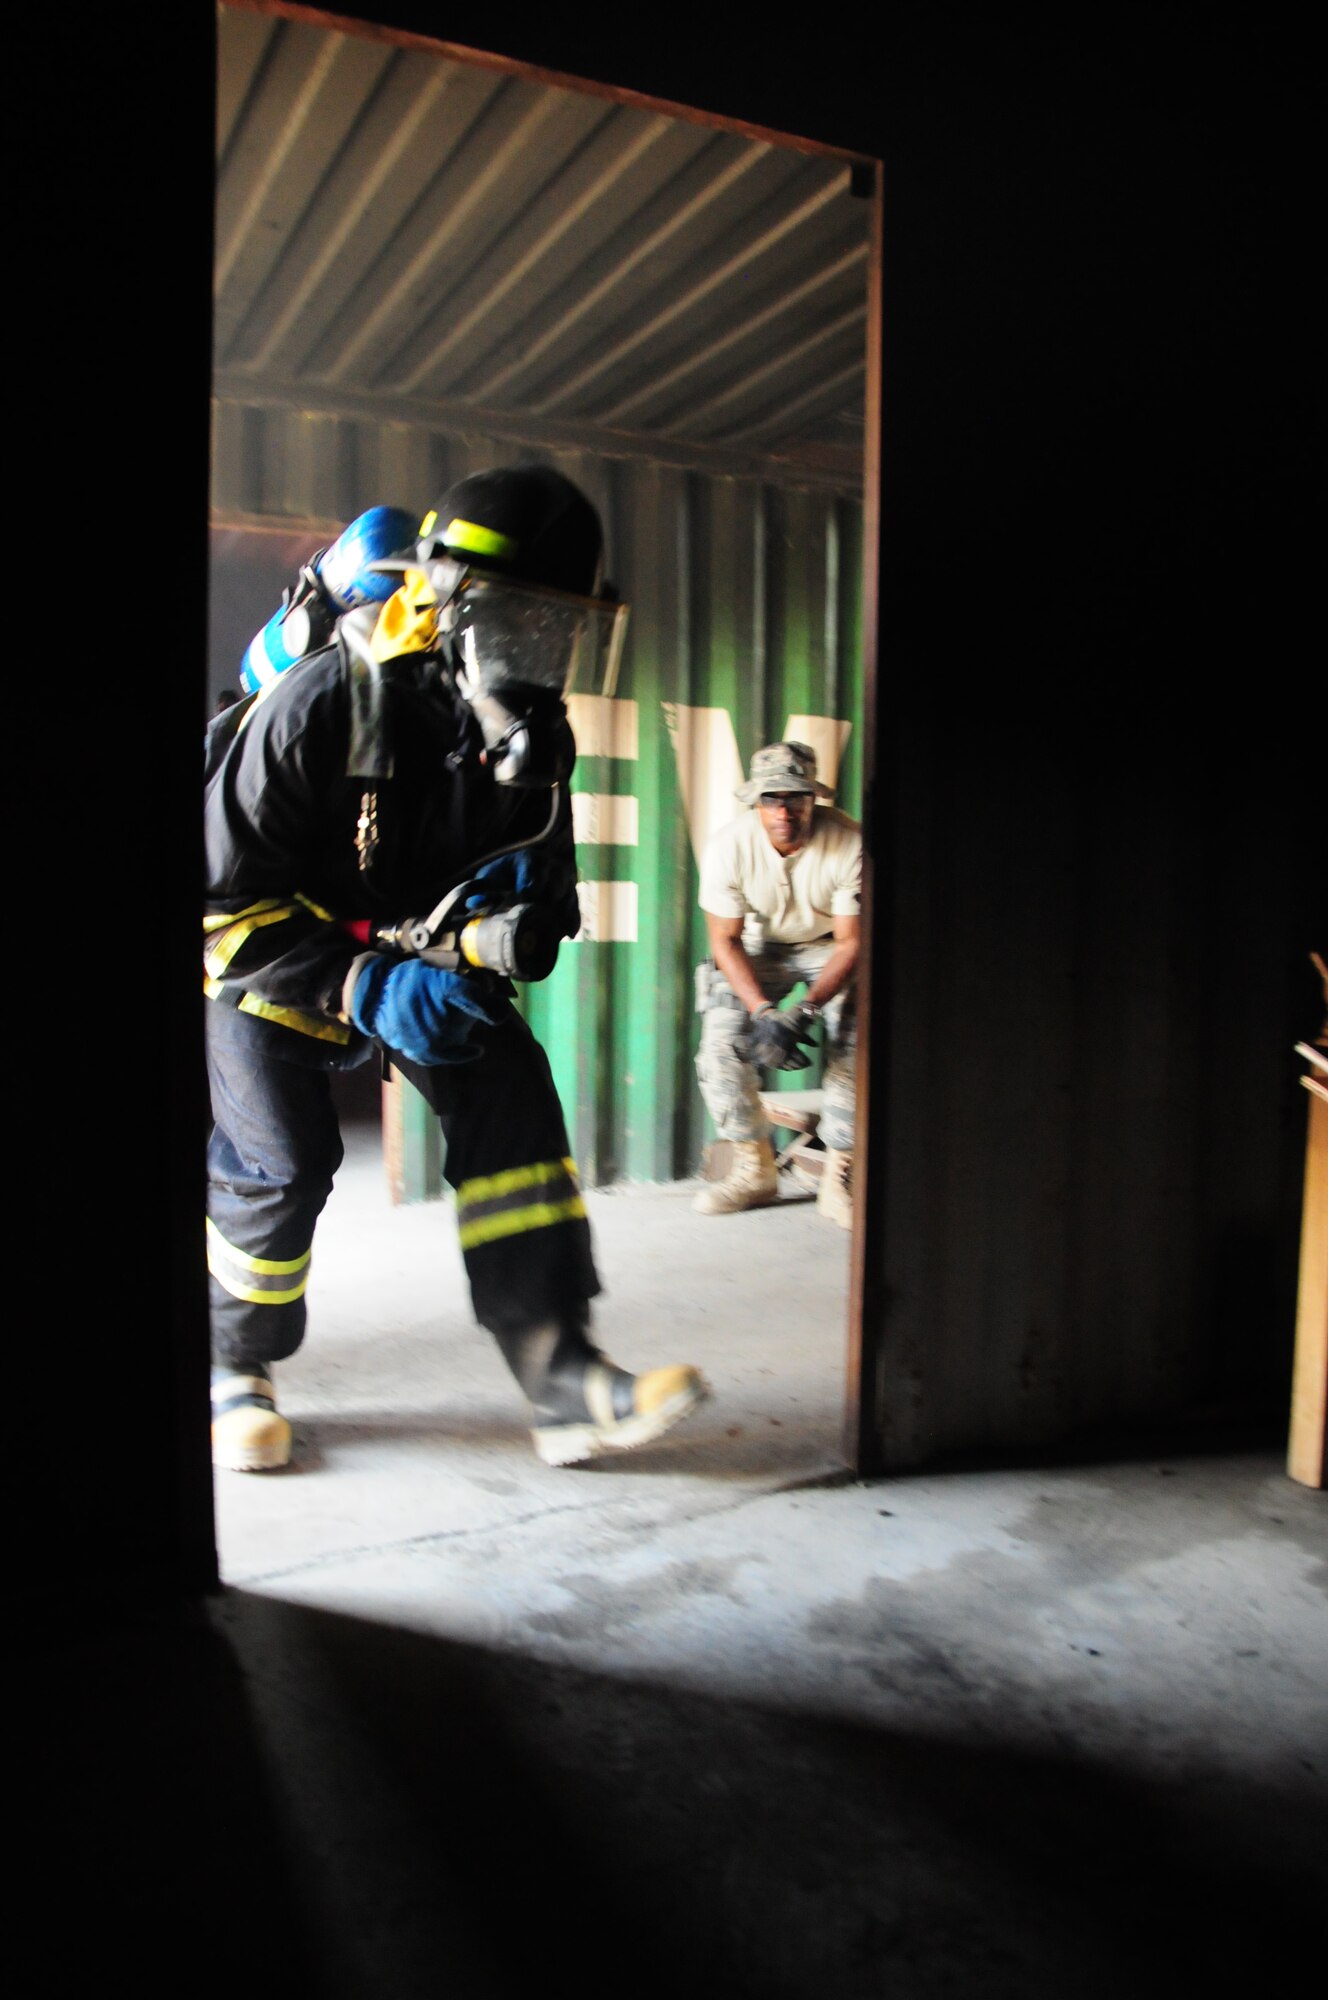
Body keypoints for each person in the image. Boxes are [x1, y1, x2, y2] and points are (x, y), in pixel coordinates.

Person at [204, 465, 709, 1473]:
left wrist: (503, 923)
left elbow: (540, 898)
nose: (539, 647)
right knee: (282, 1165)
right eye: (518, 616)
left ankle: (559, 1372)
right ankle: (236, 1367)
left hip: (414, 959)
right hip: (275, 954)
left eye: (561, 625)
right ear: (443, 599)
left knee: (510, 1097)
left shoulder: (531, 749)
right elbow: (217, 908)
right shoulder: (322, 704)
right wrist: (361, 982)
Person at [692, 741, 861, 1227]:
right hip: (759, 948)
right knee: (720, 1048)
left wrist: (803, 1012)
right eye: (771, 798)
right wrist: (765, 1014)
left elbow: (852, 944)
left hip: (830, 945)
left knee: (856, 1049)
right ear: (756, 803)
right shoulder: (729, 846)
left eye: (795, 796)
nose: (783, 809)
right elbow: (725, 941)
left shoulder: (850, 842)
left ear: (814, 798)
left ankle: (839, 1175)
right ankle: (755, 1170)